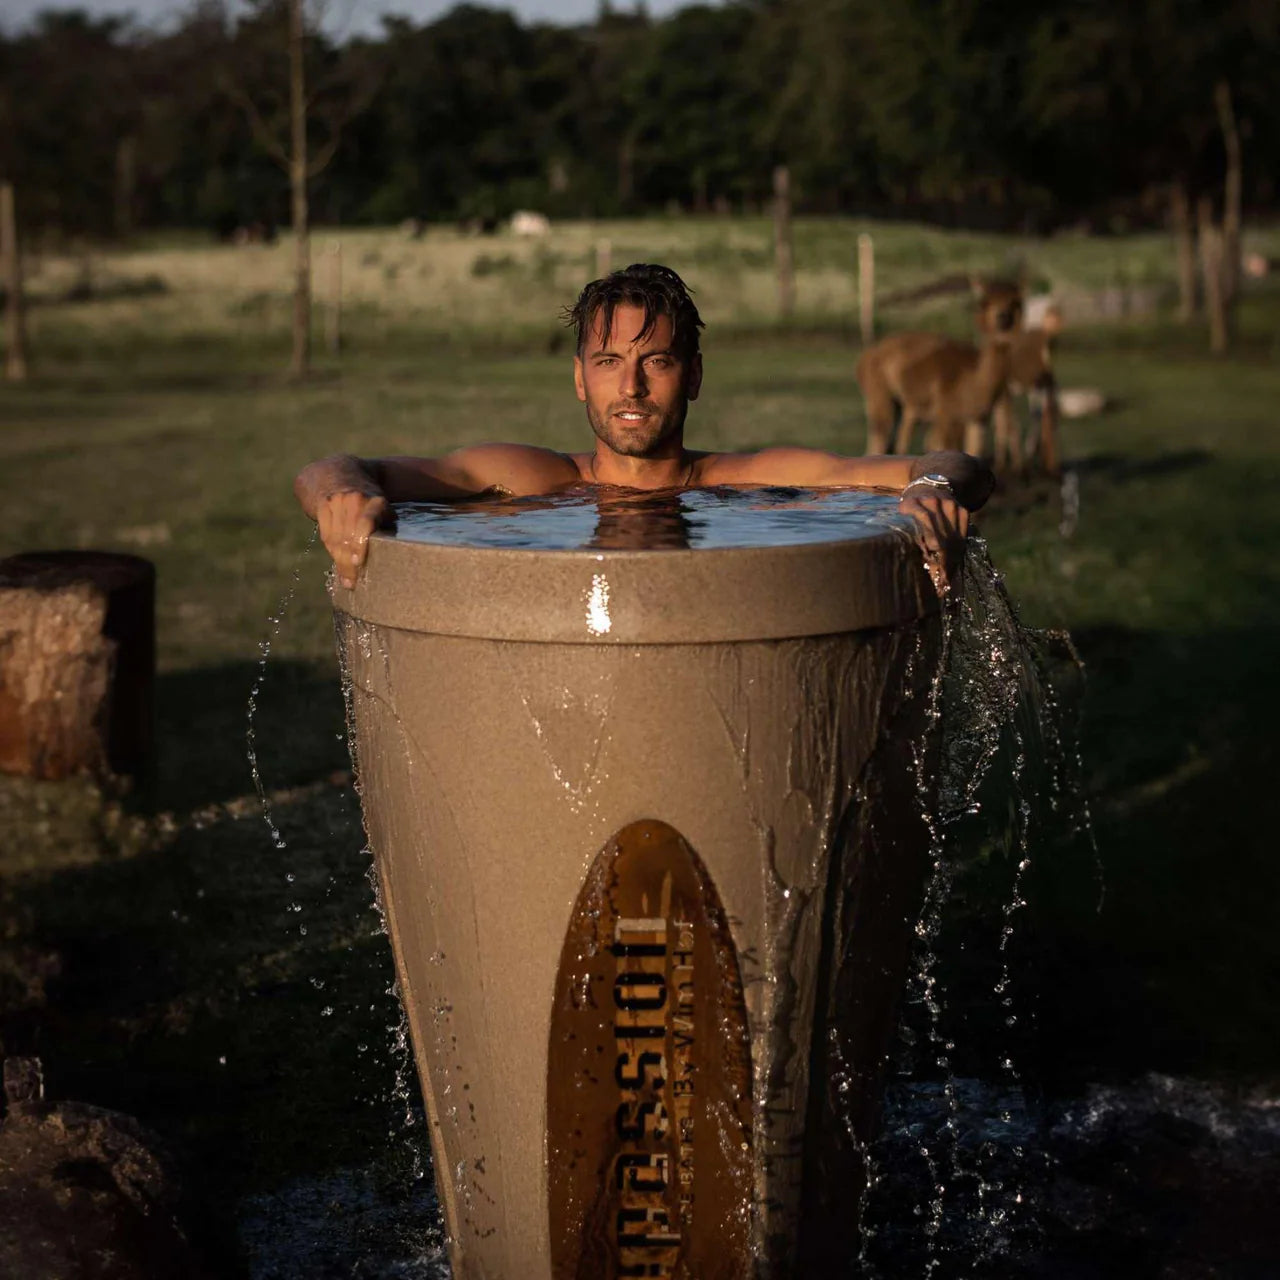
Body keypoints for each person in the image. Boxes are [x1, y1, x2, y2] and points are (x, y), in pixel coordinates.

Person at [295, 263, 994, 591]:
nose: (629, 387)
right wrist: (340, 498)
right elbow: (341, 467)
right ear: (579, 379)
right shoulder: (534, 479)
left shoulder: (743, 481)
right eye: (608, 361)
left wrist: (933, 485)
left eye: (654, 361)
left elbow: (947, 463)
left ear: (691, 375)